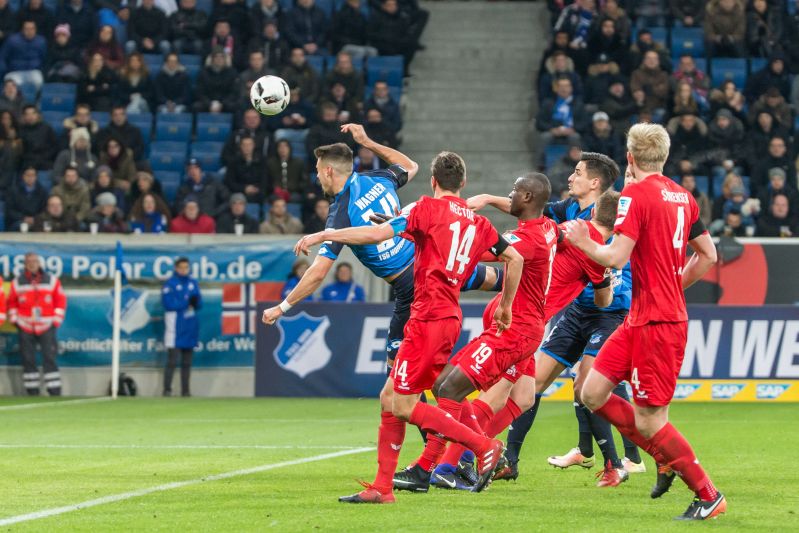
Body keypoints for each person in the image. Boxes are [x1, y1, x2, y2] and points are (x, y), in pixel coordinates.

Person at [292, 150, 521, 502]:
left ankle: (482, 446)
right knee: (390, 397)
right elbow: (513, 257)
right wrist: (506, 304)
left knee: (401, 404)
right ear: (462, 183)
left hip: (427, 317)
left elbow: (377, 235)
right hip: (448, 317)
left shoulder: (423, 208)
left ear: (432, 181)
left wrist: (325, 235)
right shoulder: (478, 223)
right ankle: (382, 488)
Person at [563, 123, 724, 520]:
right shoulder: (684, 197)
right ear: (664, 157)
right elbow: (708, 255)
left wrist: (584, 242)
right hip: (642, 318)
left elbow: (616, 257)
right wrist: (674, 284)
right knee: (592, 392)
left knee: (650, 420)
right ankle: (664, 457)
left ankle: (708, 494)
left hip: (658, 324)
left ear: (630, 157)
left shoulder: (634, 194)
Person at [468, 154, 641, 486]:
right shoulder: (568, 211)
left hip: (609, 313)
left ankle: (626, 458)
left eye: (578, 172)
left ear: (595, 183)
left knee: (588, 387)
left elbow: (607, 273)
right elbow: (527, 209)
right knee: (533, 387)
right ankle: (509, 459)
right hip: (577, 311)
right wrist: (489, 199)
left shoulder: (614, 218)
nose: (570, 176)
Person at [262, 126, 422, 458]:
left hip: (410, 289)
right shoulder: (376, 179)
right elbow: (411, 166)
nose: (316, 176)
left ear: (329, 171)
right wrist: (367, 143)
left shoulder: (341, 213)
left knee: (402, 383)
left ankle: (455, 452)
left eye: (318, 170)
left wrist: (283, 306)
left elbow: (318, 272)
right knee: (412, 378)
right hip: (425, 271)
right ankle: (437, 457)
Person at [391, 173, 556, 495]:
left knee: (449, 389)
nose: (508, 195)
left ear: (526, 198)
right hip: (524, 328)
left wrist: (416, 231)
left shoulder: (526, 241)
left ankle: (438, 466)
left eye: (513, 191)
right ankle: (457, 459)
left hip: (513, 331)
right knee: (449, 385)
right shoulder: (547, 228)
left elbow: (464, 248)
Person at [7, 253, 66, 396]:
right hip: (25, 325)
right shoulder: (17, 282)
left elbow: (61, 300)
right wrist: (15, 320)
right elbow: (12, 302)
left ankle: (54, 391)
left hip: (46, 325)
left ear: (39, 263)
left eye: (35, 261)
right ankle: (32, 392)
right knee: (28, 359)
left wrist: (56, 320)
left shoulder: (51, 280)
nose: (32, 264)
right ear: (25, 264)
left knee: (49, 358)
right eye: (29, 261)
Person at [161, 257, 201, 397]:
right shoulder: (170, 284)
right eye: (181, 267)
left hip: (190, 326)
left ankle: (186, 391)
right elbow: (168, 304)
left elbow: (198, 302)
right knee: (172, 360)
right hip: (175, 327)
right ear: (176, 268)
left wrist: (195, 303)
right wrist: (185, 303)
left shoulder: (193, 283)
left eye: (186, 267)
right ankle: (167, 390)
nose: (184, 270)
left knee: (187, 362)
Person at [0, 20, 47, 92]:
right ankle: (14, 103)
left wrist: (43, 70)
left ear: (35, 30)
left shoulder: (41, 41)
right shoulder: (12, 41)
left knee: (38, 81)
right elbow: (3, 56)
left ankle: (35, 103)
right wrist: (5, 69)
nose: (29, 31)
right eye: (27, 29)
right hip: (15, 72)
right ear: (22, 30)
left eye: (32, 29)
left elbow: (45, 59)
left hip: (33, 71)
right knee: (12, 84)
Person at [224, 136, 270, 204]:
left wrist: (257, 189)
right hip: (239, 192)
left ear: (253, 146)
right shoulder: (233, 162)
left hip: (258, 192)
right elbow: (230, 182)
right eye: (244, 145)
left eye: (249, 145)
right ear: (240, 146)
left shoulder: (261, 162)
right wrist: (244, 188)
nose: (247, 147)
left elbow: (265, 179)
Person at [193, 48, 237, 113]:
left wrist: (222, 104)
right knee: (195, 107)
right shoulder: (203, 73)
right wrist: (209, 104)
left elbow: (233, 92)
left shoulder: (232, 73)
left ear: (225, 59)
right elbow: (200, 92)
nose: (219, 59)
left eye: (222, 57)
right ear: (212, 59)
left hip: (224, 103)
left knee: (235, 107)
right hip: (207, 102)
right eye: (216, 57)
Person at [267, 139, 309, 203]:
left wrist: (294, 188)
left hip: (293, 192)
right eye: (280, 147)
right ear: (277, 149)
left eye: (285, 146)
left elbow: (305, 181)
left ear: (290, 149)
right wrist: (275, 188)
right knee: (272, 198)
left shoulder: (298, 162)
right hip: (276, 193)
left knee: (296, 198)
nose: (282, 149)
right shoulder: (271, 163)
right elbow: (267, 181)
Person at [6, 166, 47, 230]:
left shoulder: (42, 192)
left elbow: (44, 210)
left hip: (36, 221)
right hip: (18, 221)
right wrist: (23, 218)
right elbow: (10, 210)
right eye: (28, 175)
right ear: (23, 176)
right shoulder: (14, 191)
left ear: (36, 177)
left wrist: (35, 219)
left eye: (33, 175)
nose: (30, 178)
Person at [19, 104, 57, 170]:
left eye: (33, 113)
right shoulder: (20, 130)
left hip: (45, 161)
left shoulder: (47, 128)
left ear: (38, 115)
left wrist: (44, 157)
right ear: (24, 117)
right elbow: (21, 151)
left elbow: (54, 147)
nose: (30, 117)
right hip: (27, 162)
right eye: (27, 114)